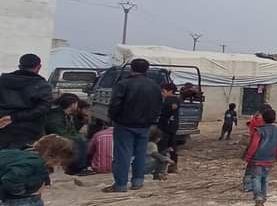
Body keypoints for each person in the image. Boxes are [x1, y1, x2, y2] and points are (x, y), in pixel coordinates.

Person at [105, 58, 163, 193]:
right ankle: (137, 181)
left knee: (122, 155)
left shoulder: (123, 84)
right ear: (147, 69)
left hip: (124, 124)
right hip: (144, 126)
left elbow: (115, 105)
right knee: (141, 154)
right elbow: (158, 105)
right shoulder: (154, 86)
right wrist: (151, 120)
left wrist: (112, 118)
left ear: (131, 68)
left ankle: (120, 185)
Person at [0, 53, 54, 151]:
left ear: (19, 66)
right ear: (39, 67)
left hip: (3, 127)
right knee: (23, 158)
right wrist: (14, 117)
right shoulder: (42, 85)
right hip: (29, 132)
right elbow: (43, 108)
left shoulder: (2, 81)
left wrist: (7, 117)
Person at [243, 107, 277, 206]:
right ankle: (264, 197)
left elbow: (253, 145)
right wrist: (276, 156)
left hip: (257, 159)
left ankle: (258, 197)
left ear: (263, 119)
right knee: (265, 178)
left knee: (256, 178)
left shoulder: (259, 130)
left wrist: (248, 157)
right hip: (269, 159)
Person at [43, 94, 91, 173]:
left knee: (84, 141)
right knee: (80, 143)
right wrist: (77, 138)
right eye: (76, 103)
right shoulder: (56, 117)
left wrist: (78, 136)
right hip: (55, 139)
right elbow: (59, 133)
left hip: (61, 137)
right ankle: (78, 168)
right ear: (72, 105)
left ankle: (84, 165)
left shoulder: (66, 115)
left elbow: (72, 130)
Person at [157, 83, 181, 173]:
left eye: (163, 91)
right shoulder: (177, 100)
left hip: (165, 126)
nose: (162, 93)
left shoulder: (168, 100)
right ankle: (173, 166)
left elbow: (164, 114)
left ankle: (160, 168)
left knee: (162, 147)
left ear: (170, 91)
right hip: (173, 126)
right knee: (172, 146)